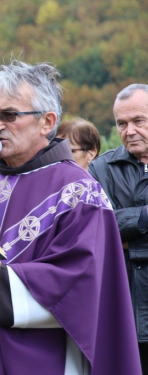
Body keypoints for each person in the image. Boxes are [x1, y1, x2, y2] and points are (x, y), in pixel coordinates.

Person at [0, 60, 141, 375]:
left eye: (9, 115)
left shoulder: (80, 193)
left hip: (37, 356)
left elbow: (84, 287)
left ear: (47, 122)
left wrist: (2, 279)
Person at [89, 83, 148, 374]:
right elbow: (98, 228)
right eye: (121, 124)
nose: (129, 131)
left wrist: (130, 240)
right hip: (123, 306)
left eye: (139, 121)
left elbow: (116, 230)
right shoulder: (101, 169)